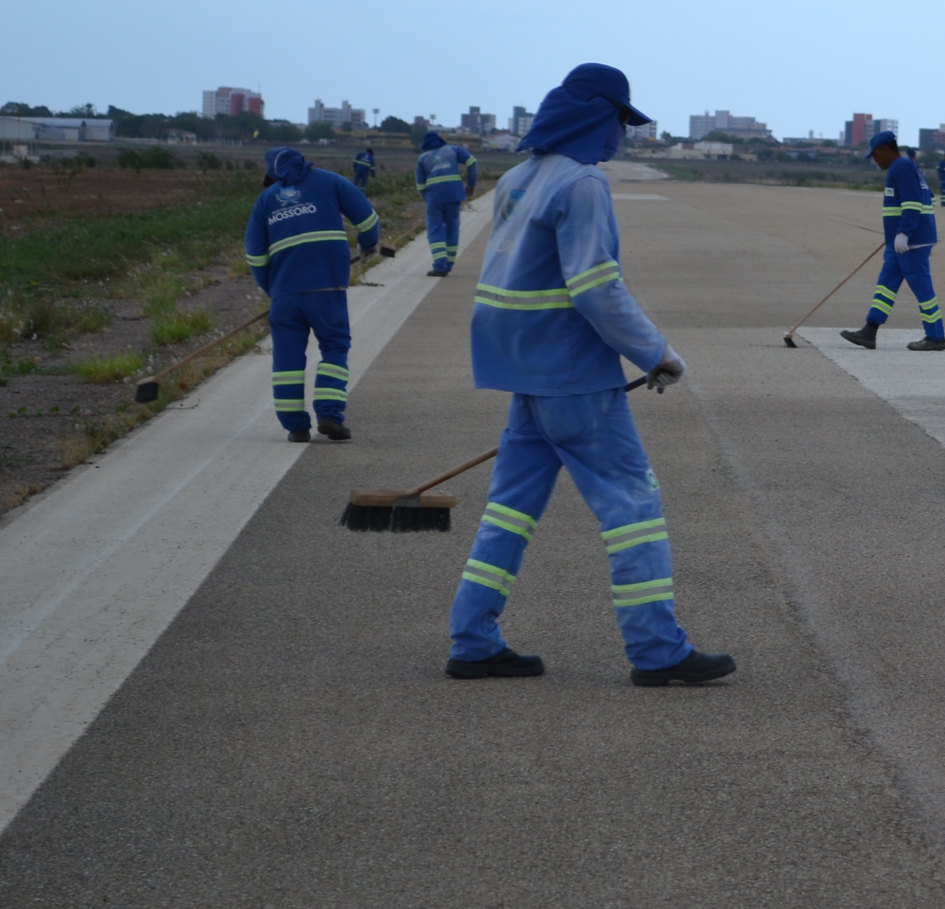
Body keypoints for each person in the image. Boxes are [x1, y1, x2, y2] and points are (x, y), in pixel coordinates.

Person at [447, 62, 734, 686]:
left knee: (509, 511)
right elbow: (597, 286)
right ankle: (658, 651)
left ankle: (472, 638)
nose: (621, 136)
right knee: (633, 506)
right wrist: (657, 354)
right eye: (619, 122)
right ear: (595, 116)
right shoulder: (581, 185)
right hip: (573, 376)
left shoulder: (520, 177)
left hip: (525, 373)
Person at [244, 146, 381, 443]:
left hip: (285, 295)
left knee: (287, 360)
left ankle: (295, 427)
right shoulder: (331, 182)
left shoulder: (265, 200)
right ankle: (330, 415)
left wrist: (274, 291)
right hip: (327, 290)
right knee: (334, 347)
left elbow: (255, 256)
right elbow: (368, 219)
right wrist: (369, 244)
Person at [841, 130, 945, 349]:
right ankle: (869, 330)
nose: (875, 160)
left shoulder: (902, 167)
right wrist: (896, 234)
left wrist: (904, 232)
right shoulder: (903, 167)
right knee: (886, 285)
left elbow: (912, 204)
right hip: (899, 242)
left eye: (875, 155)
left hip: (910, 242)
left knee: (922, 288)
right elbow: (926, 197)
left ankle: (936, 337)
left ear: (885, 150)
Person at [415, 130, 479, 277]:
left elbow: (420, 186)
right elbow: (472, 162)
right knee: (452, 227)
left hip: (434, 197)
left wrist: (428, 200)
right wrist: (471, 185)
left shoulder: (422, 158)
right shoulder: (453, 149)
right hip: (454, 194)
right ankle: (449, 264)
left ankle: (439, 266)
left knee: (435, 229)